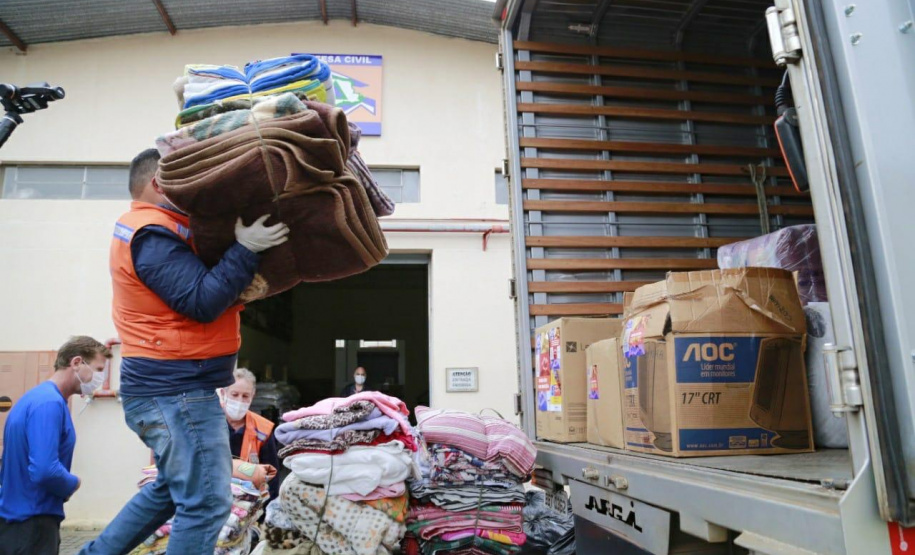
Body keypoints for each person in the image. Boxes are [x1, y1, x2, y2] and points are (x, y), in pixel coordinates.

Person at [79, 148, 289, 555]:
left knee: (170, 490)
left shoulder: (157, 228)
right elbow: (201, 301)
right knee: (207, 502)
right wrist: (245, 250)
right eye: (186, 179)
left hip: (174, 387)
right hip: (174, 389)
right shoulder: (151, 233)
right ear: (160, 183)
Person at [0, 336, 110, 555]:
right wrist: (73, 483)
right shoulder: (49, 403)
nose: (100, 377)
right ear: (76, 362)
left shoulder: (35, 398)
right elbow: (44, 470)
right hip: (32, 526)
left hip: (18, 523)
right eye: (98, 369)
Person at [222, 368, 280, 501]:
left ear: (252, 396)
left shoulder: (263, 429)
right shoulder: (208, 423)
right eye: (234, 394)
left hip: (249, 501)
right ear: (224, 393)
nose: (239, 401)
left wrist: (266, 507)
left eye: (245, 396)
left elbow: (272, 476)